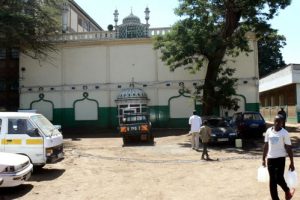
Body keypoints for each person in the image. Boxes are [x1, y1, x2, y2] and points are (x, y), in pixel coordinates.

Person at [262, 115, 295, 200]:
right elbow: (266, 146)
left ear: (282, 123)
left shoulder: (285, 133)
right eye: (275, 121)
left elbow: (289, 148)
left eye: (279, 121)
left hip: (280, 159)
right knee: (272, 181)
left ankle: (287, 191)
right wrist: (263, 158)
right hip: (270, 159)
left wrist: (292, 162)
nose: (276, 123)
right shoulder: (269, 131)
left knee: (278, 178)